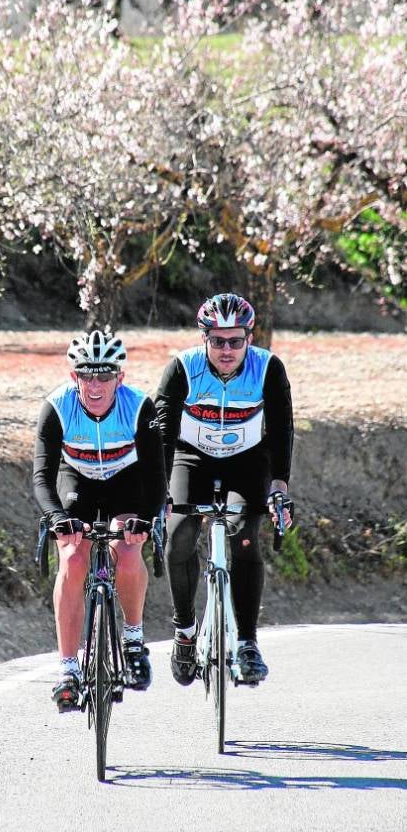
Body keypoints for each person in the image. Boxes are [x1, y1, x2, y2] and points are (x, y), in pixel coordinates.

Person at [155, 293, 293, 686]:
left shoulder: (268, 368)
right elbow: (162, 433)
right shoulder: (182, 368)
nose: (227, 349)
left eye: (236, 340)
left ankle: (247, 642)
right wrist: (159, 490)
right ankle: (184, 632)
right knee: (179, 536)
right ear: (205, 339)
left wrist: (279, 485)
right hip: (191, 457)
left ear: (249, 336)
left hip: (247, 460)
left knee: (245, 534)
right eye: (218, 341)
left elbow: (282, 429)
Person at [33, 329, 167, 711]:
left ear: (119, 377)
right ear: (74, 376)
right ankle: (68, 668)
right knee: (73, 558)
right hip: (77, 481)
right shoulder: (57, 406)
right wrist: (57, 518)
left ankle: (134, 639)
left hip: (127, 482)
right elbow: (42, 475)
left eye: (104, 375)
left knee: (127, 550)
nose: (95, 385)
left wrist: (144, 520)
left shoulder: (140, 407)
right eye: (86, 375)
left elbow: (157, 476)